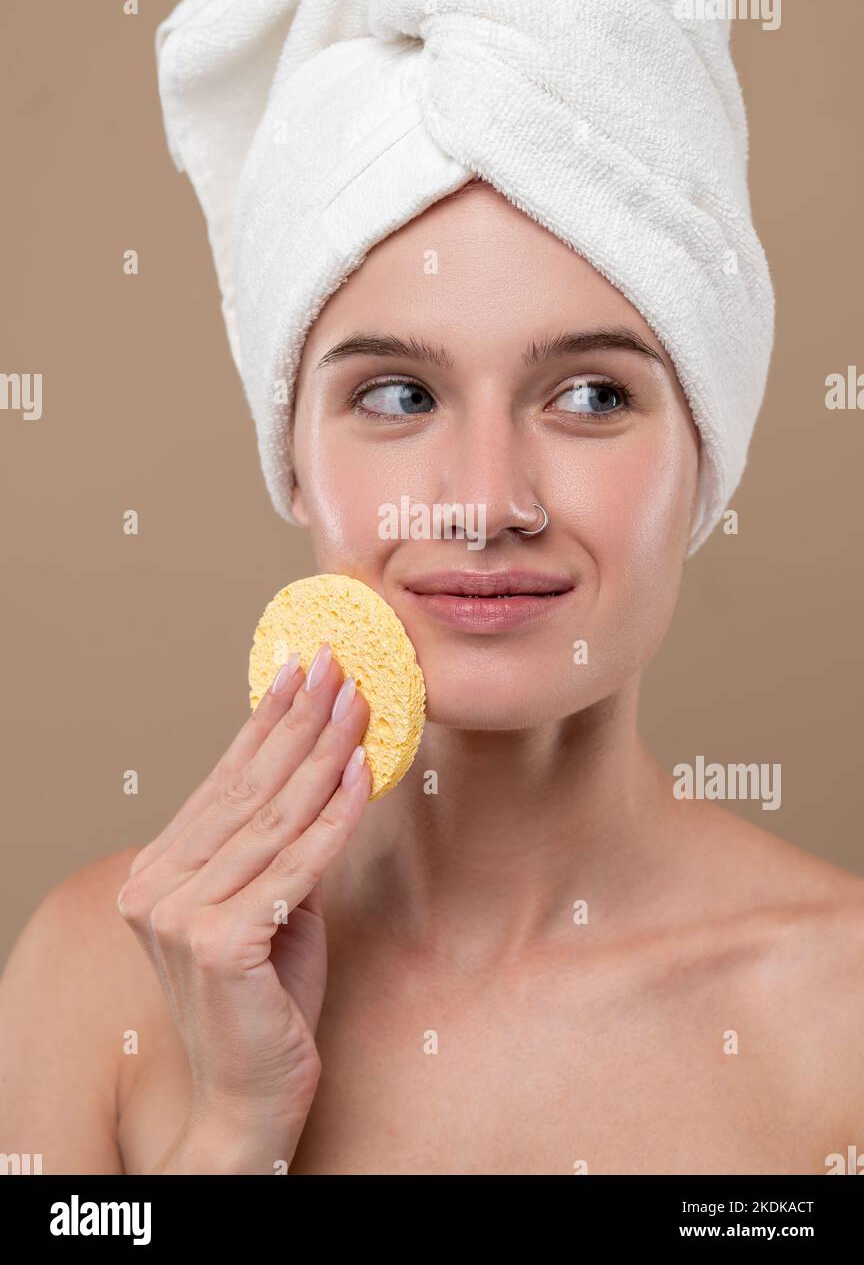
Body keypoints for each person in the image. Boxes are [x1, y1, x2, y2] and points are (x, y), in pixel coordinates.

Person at [1, 178, 863, 1175]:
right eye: (400, 395)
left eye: (591, 395)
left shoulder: (842, 1016)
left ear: (707, 453)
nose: (485, 506)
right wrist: (236, 1130)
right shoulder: (94, 977)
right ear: (290, 455)